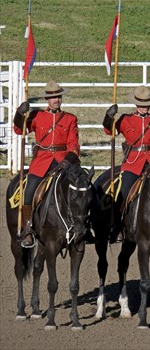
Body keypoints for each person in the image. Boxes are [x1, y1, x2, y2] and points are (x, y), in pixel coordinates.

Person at [13, 80, 84, 248]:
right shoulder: (37, 116)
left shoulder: (70, 119)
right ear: (47, 99)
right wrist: (19, 114)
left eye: (58, 96)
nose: (56, 100)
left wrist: (68, 159)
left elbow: (73, 144)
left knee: (83, 188)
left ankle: (84, 226)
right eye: (53, 97)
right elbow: (19, 130)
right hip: (41, 162)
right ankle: (28, 229)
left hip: (63, 162)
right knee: (29, 191)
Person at [102, 86, 150, 241]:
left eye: (146, 104)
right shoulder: (125, 119)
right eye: (141, 104)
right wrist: (109, 116)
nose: (144, 107)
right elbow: (110, 131)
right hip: (132, 163)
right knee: (123, 192)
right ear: (136, 104)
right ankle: (118, 227)